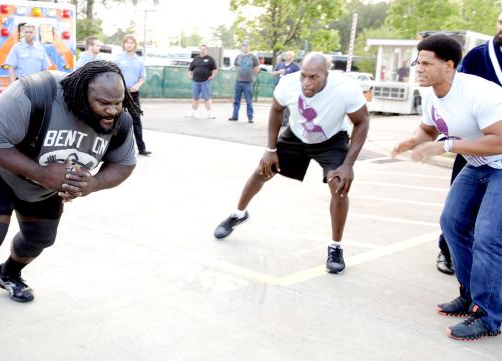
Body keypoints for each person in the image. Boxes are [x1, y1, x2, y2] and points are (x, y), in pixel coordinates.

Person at [0, 61, 139, 316]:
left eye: (118, 102)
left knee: (40, 239)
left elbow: (124, 163)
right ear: (81, 94)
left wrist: (93, 183)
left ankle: (8, 274)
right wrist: (40, 173)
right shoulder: (37, 92)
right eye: (104, 103)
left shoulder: (118, 120)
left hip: (45, 182)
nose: (112, 110)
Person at [214, 53, 369, 274]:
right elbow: (276, 110)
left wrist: (348, 164)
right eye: (304, 76)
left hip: (332, 139)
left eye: (314, 77)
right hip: (297, 135)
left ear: (327, 72)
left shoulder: (345, 88)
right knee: (262, 170)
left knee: (339, 186)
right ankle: (238, 214)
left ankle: (335, 247)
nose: (307, 82)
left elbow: (362, 122)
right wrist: (271, 149)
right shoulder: (289, 83)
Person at [392, 34, 502, 341]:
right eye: (418, 62)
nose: (419, 68)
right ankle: (469, 293)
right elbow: (429, 126)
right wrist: (413, 140)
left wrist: (446, 147)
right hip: (479, 164)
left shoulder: (480, 93)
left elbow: (500, 139)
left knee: (490, 237)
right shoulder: (433, 94)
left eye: (427, 63)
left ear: (449, 66)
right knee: (452, 224)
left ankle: (488, 315)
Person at [435, 10, 502, 275]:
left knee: (491, 223)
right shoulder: (479, 56)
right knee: (456, 213)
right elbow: (453, 91)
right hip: (472, 144)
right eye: (499, 21)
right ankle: (448, 251)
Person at [115, 35, 151, 156]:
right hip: (120, 94)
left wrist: (138, 85)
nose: (129, 44)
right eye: (127, 42)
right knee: (117, 120)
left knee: (136, 120)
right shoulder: (118, 59)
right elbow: (113, 74)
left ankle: (142, 148)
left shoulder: (139, 60)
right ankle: (115, 150)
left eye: (132, 43)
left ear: (135, 45)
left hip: (134, 95)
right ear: (123, 44)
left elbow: (143, 77)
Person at [228, 41, 260, 123]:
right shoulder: (238, 56)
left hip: (248, 82)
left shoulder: (253, 57)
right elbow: (235, 66)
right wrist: (238, 70)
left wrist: (252, 75)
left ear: (249, 47)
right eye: (244, 46)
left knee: (249, 101)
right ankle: (235, 116)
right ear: (242, 47)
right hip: (238, 81)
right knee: (236, 100)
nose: (245, 47)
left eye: (246, 46)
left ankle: (250, 117)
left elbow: (257, 68)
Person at [186, 44, 218, 119]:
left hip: (206, 81)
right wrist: (190, 75)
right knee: (195, 97)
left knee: (207, 98)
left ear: (206, 50)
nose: (202, 51)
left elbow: (215, 69)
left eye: (204, 49)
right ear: (199, 50)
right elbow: (190, 69)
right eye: (201, 49)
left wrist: (212, 76)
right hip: (195, 81)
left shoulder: (210, 59)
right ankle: (193, 112)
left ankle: (210, 113)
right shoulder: (196, 58)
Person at [269, 51, 300, 126]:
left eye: (288, 55)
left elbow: (299, 77)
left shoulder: (295, 66)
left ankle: (285, 121)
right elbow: (272, 73)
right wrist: (279, 72)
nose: (286, 56)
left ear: (292, 57)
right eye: (286, 54)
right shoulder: (280, 64)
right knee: (277, 103)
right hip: (278, 87)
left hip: (289, 88)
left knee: (286, 105)